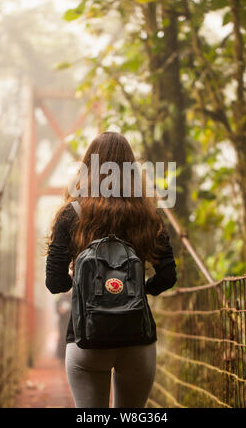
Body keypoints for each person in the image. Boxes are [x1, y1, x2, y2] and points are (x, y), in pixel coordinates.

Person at [45, 131, 177, 408]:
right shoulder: (148, 214)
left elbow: (55, 283)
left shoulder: (72, 213)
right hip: (137, 338)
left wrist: (81, 284)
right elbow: (167, 276)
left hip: (86, 338)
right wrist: (139, 289)